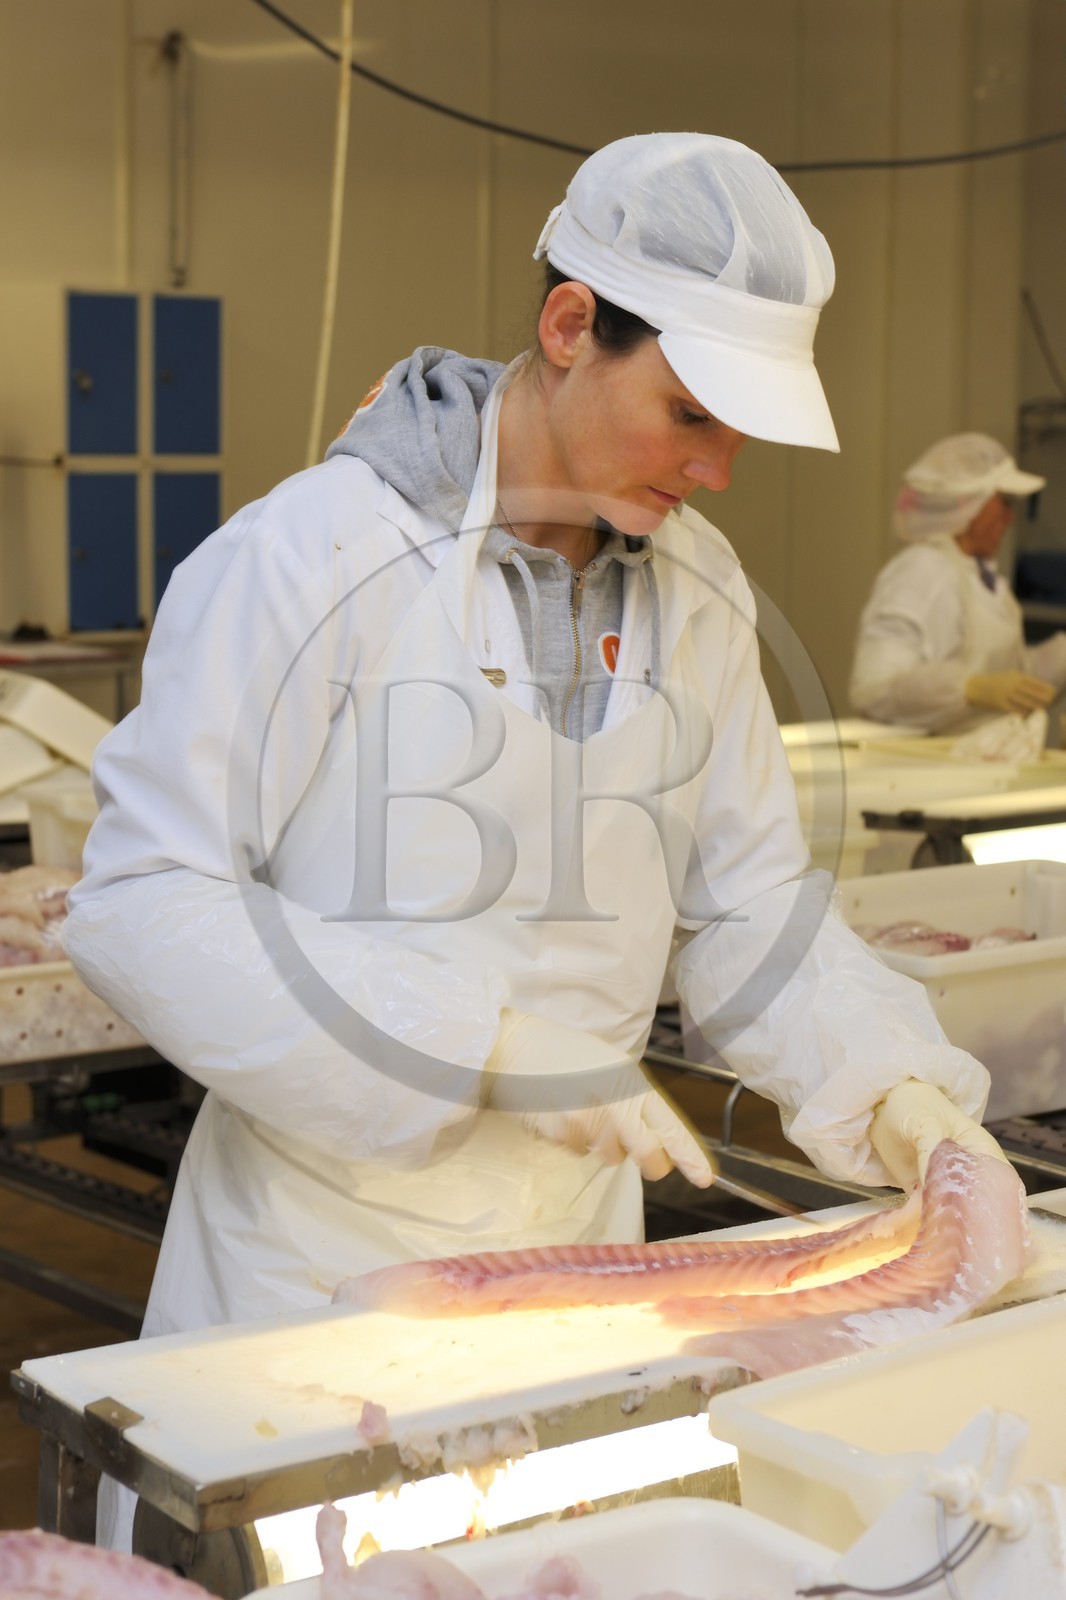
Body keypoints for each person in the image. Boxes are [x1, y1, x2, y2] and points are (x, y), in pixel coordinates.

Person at [64, 134, 1006, 1541]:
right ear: (570, 327)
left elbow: (746, 899)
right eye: (689, 412)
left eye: (734, 431)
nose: (718, 470)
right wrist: (477, 1043)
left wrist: (889, 1081)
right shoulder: (309, 559)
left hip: (588, 1270)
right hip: (317, 1271)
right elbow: (145, 898)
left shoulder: (696, 585)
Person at [849, 432, 1066, 733]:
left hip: (967, 765)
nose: (1010, 518)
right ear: (968, 503)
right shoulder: (923, 569)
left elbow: (1004, 674)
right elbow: (874, 689)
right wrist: (970, 690)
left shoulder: (977, 576)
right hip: (917, 769)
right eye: (1004, 503)